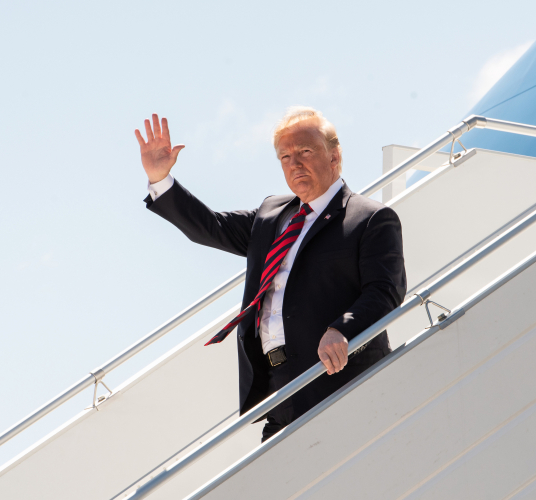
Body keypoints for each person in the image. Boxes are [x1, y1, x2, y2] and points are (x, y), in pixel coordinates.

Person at [135, 107, 406, 442]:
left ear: (334, 155)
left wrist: (342, 329)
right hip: (277, 389)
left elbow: (384, 291)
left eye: (306, 151)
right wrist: (161, 179)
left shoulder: (369, 219)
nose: (295, 163)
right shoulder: (271, 215)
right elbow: (211, 227)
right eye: (285, 156)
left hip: (340, 378)